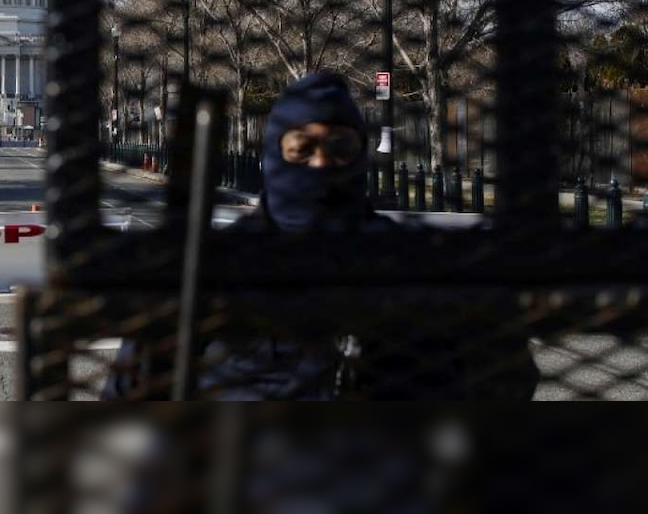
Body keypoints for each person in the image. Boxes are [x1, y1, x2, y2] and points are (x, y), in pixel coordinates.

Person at [102, 70, 539, 400]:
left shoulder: (411, 260)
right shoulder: (208, 265)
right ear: (276, 156)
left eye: (339, 149)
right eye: (302, 150)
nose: (319, 165)